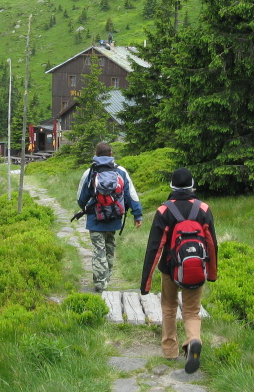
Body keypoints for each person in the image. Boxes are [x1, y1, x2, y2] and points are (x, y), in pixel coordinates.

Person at [140, 167, 218, 373]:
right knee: (192, 310)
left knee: (169, 307)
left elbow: (154, 247)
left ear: (171, 186)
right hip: (196, 270)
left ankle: (170, 350)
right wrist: (211, 273)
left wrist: (146, 283)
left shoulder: (164, 210)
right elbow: (212, 244)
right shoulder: (203, 209)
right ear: (192, 185)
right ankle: (193, 340)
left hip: (169, 269)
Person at [75, 142, 143, 292]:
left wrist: (87, 207)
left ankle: (100, 283)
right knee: (109, 248)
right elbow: (131, 195)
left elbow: (81, 198)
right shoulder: (120, 171)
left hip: (95, 218)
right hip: (114, 217)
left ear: (96, 154)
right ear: (111, 154)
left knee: (98, 249)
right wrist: (137, 214)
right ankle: (106, 278)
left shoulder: (90, 172)